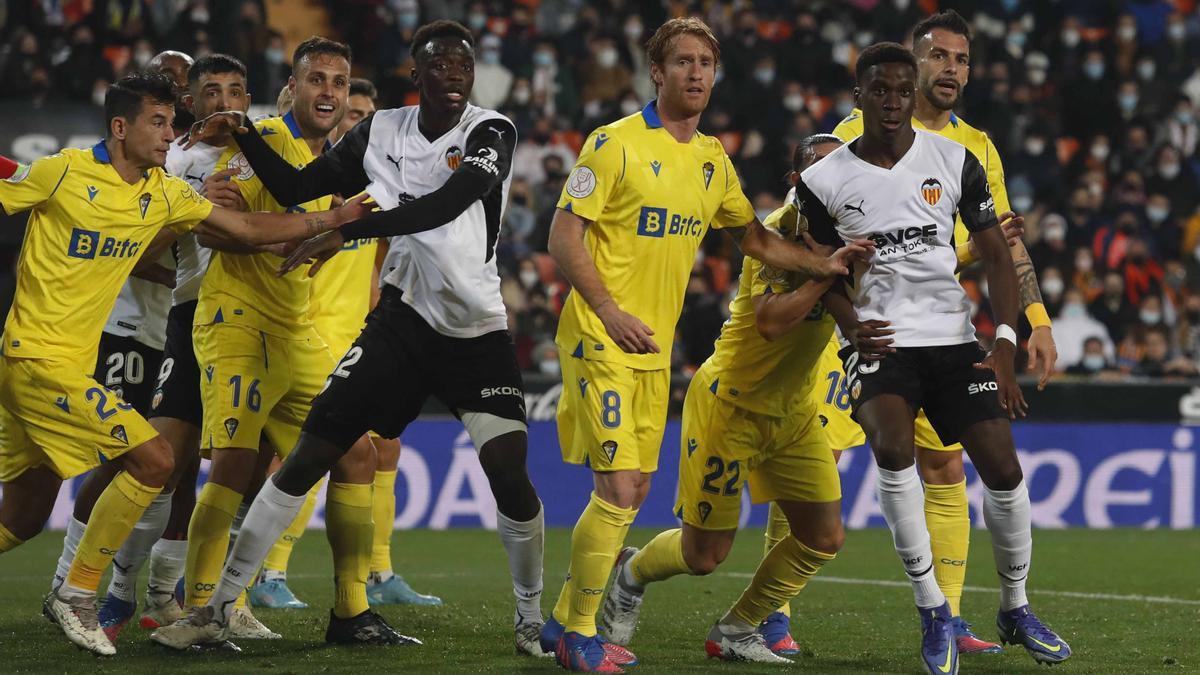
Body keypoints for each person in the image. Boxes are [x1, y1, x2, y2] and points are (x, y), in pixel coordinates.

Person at [152, 20, 545, 653]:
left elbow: (450, 202)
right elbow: (296, 186)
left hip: (476, 329)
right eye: (439, 65)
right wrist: (246, 132)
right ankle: (218, 607)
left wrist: (349, 229)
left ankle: (530, 616)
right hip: (401, 320)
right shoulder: (381, 129)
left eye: (463, 66)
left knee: (508, 472)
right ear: (414, 75)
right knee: (313, 453)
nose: (453, 75)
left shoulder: (490, 131)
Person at [539, 18, 868, 673]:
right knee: (620, 488)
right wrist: (606, 309)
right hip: (601, 335)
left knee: (635, 495)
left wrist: (821, 266)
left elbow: (756, 240)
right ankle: (577, 634)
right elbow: (563, 237)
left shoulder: (712, 160)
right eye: (682, 62)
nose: (695, 74)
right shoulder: (614, 145)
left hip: (652, 346)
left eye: (705, 64)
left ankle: (560, 621)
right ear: (655, 73)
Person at [0, 71, 364, 656]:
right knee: (155, 460)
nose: (171, 134)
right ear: (121, 127)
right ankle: (78, 593)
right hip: (36, 359)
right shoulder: (61, 171)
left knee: (21, 518)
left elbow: (246, 227)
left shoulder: (162, 193)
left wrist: (330, 220)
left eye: (173, 122)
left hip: (66, 363)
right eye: (158, 122)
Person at [801, 43, 1072, 674]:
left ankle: (1014, 607)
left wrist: (1005, 341)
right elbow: (818, 273)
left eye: (902, 89)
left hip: (953, 339)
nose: (893, 101)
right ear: (859, 94)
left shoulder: (956, 160)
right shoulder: (826, 180)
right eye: (881, 90)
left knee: (1002, 468)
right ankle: (933, 609)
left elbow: (997, 254)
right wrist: (850, 324)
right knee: (893, 450)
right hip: (883, 342)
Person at [597, 133, 851, 666]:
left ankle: (739, 626)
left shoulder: (857, 228)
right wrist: (827, 275)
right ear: (797, 181)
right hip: (730, 405)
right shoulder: (778, 233)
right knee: (704, 555)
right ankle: (630, 572)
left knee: (823, 536)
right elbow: (771, 321)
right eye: (823, 171)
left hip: (796, 412)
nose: (837, 180)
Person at [45, 52, 262, 641]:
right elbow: (129, 250)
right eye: (208, 91)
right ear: (189, 100)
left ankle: (168, 596)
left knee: (187, 468)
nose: (224, 103)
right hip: (141, 328)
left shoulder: (261, 156)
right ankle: (85, 586)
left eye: (235, 91)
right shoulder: (173, 160)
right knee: (137, 460)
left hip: (217, 326)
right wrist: (198, 220)